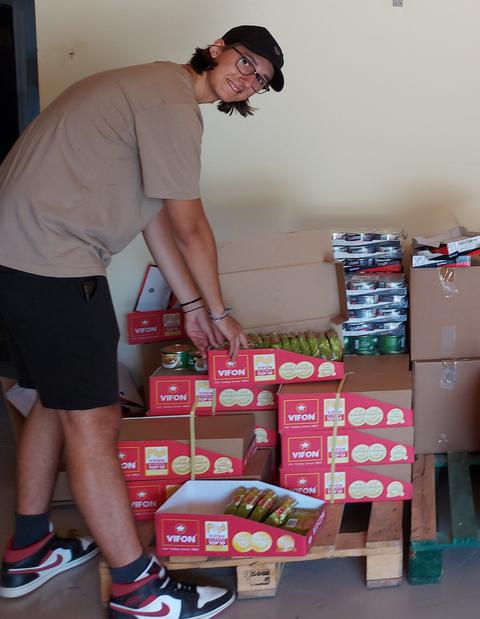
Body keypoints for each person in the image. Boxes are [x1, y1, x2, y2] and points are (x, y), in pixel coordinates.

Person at [0, 25, 285, 619]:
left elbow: (153, 217)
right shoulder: (172, 103)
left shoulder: (151, 89)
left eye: (260, 79)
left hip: (18, 257)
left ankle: (29, 550)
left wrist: (191, 306)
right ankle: (137, 589)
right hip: (52, 264)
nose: (248, 79)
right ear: (216, 49)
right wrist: (221, 311)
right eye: (245, 62)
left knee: (54, 400)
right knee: (95, 420)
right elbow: (189, 228)